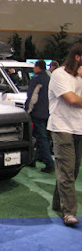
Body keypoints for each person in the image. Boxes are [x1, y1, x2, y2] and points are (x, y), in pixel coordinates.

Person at [48, 43, 82, 226]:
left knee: (71, 171)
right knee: (67, 171)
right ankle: (69, 212)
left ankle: (57, 202)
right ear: (77, 57)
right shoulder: (59, 74)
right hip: (62, 128)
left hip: (78, 128)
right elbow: (71, 100)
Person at [25, 60, 55, 173]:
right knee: (41, 137)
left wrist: (27, 111)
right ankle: (33, 159)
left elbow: (32, 97)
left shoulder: (36, 79)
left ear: (37, 67)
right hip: (47, 112)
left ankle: (49, 163)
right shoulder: (49, 78)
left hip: (38, 113)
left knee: (40, 138)